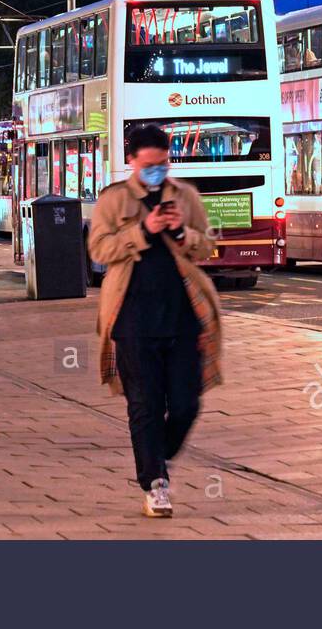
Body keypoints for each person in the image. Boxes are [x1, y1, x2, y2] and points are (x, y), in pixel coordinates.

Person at [89, 124, 222, 519]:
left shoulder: (185, 196)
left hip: (183, 318)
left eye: (163, 164)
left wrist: (182, 231)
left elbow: (209, 243)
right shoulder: (113, 200)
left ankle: (155, 456)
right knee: (144, 406)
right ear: (131, 161)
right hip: (132, 318)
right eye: (149, 165)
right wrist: (142, 230)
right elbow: (98, 248)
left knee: (185, 405)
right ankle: (155, 483)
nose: (157, 172)